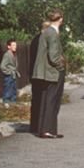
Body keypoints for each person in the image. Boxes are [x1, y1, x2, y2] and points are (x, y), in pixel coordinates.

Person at [32, 11, 67, 139]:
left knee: (45, 99)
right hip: (52, 72)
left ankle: (43, 128)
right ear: (60, 19)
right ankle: (48, 130)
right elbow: (53, 56)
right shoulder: (53, 33)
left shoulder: (45, 32)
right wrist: (60, 66)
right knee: (52, 101)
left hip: (44, 72)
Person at [28, 21, 50, 135]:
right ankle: (38, 125)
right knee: (40, 100)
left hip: (34, 74)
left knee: (36, 100)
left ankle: (34, 125)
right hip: (40, 75)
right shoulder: (42, 40)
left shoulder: (35, 39)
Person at [0, 39, 19, 104]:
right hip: (9, 76)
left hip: (13, 75)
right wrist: (9, 72)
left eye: (15, 45)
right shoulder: (7, 55)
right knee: (8, 89)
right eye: (13, 45)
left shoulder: (14, 54)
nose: (15, 46)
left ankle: (13, 102)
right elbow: (2, 66)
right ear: (9, 46)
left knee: (13, 90)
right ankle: (6, 102)